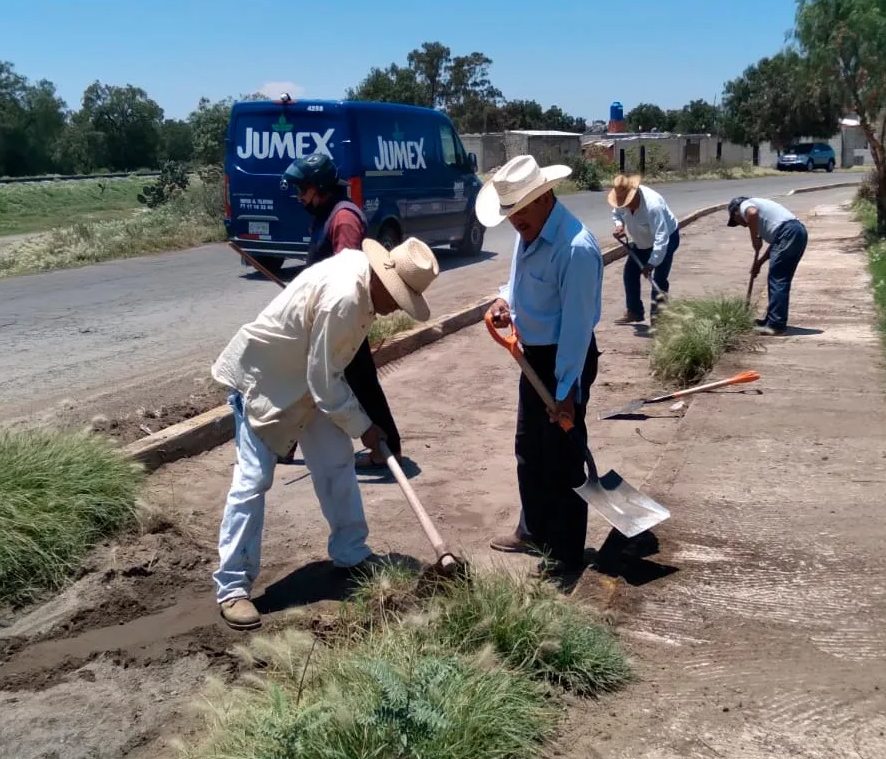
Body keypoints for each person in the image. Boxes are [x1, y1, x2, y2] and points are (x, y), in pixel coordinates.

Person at [210, 236, 440, 630]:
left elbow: (324, 376)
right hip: (267, 382)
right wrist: (365, 427)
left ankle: (351, 550)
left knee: (335, 464)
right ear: (385, 281)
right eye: (397, 300)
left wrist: (359, 423)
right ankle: (232, 586)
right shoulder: (345, 299)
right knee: (252, 481)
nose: (392, 311)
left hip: (310, 385)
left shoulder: (362, 279)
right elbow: (324, 381)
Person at [476, 154, 603, 579]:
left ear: (545, 196)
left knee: (564, 457)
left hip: (566, 357)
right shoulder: (527, 232)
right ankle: (534, 530)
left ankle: (567, 554)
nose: (514, 222)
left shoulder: (576, 248)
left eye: (521, 210)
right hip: (532, 356)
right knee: (529, 448)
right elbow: (518, 281)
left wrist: (567, 389)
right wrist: (503, 302)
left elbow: (577, 325)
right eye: (509, 213)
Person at [281, 154, 405, 474]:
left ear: (319, 187)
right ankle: (284, 444)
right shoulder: (327, 213)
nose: (298, 197)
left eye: (302, 190)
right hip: (326, 314)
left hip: (340, 315)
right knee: (322, 379)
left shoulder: (344, 218)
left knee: (355, 381)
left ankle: (385, 448)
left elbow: (346, 273)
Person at [727, 195, 808, 336]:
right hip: (797, 232)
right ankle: (772, 320)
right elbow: (776, 245)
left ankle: (776, 325)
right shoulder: (760, 210)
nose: (741, 224)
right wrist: (759, 263)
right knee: (781, 277)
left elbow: (752, 214)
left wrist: (755, 239)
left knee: (778, 278)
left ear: (736, 213)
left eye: (736, 221)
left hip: (788, 232)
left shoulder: (744, 205)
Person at [607, 174, 680, 324]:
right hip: (642, 241)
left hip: (667, 238)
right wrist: (619, 226)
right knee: (630, 273)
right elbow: (617, 214)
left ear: (635, 194)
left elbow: (661, 238)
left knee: (659, 279)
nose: (625, 206)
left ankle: (658, 318)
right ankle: (635, 311)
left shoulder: (653, 206)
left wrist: (652, 263)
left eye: (627, 202)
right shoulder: (621, 200)